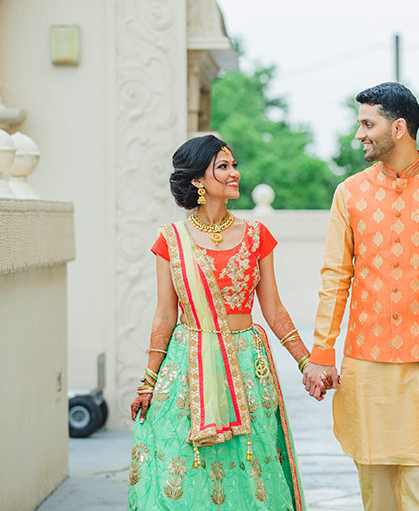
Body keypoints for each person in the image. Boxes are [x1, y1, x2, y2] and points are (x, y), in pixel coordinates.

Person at [302, 82, 419, 511]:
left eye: (368, 124)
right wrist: (321, 351)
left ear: (400, 127)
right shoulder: (349, 194)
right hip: (367, 367)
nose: (360, 134)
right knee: (377, 494)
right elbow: (336, 277)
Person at [128, 134, 311, 511]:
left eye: (233, 165)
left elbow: (273, 308)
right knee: (184, 466)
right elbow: (165, 313)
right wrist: (148, 380)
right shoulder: (171, 239)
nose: (234, 174)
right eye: (223, 167)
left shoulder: (256, 235)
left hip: (246, 365)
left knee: (250, 466)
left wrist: (306, 361)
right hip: (187, 366)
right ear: (197, 180)